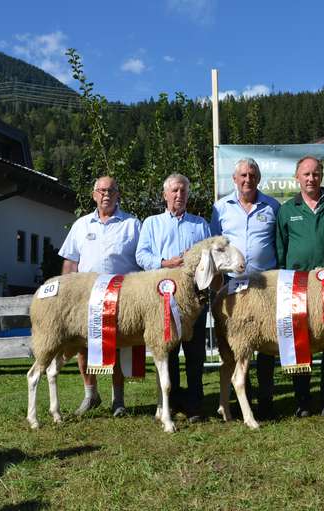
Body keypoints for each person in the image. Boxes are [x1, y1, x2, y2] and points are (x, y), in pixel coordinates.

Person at [275, 156, 324, 417]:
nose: (311, 179)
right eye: (306, 174)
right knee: (300, 339)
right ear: (297, 177)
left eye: (316, 174)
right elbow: (280, 249)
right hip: (297, 287)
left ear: (322, 176)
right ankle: (302, 400)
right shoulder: (287, 210)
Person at [58, 176, 141, 417]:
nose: (106, 194)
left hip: (123, 296)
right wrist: (65, 291)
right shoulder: (81, 225)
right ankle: (90, 394)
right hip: (86, 296)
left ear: (118, 194)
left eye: (111, 190)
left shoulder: (132, 224)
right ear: (94, 194)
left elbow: (143, 258)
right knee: (82, 346)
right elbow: (70, 261)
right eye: (101, 190)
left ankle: (118, 399)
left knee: (115, 346)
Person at [136, 173, 211, 423]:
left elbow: (208, 258)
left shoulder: (200, 225)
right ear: (165, 195)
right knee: (169, 350)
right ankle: (175, 400)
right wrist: (164, 262)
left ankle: (196, 403)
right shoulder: (151, 223)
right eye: (175, 191)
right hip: (163, 300)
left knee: (195, 352)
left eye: (183, 191)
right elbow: (141, 254)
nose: (179, 195)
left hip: (194, 300)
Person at [210, 158, 281, 419]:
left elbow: (278, 244)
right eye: (243, 175)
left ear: (258, 178)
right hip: (233, 290)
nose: (247, 179)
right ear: (234, 179)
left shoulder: (273, 206)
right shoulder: (220, 209)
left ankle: (266, 399)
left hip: (266, 287)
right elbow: (215, 250)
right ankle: (244, 398)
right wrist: (219, 288)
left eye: (252, 174)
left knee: (268, 342)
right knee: (239, 345)